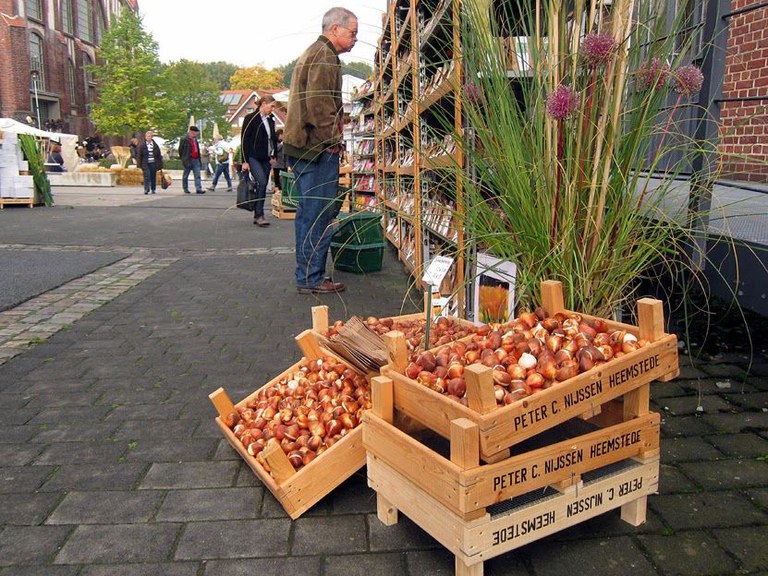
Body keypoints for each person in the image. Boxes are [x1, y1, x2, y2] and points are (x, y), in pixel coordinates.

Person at [283, 6, 357, 294]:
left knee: (308, 214)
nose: (354, 39)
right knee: (319, 214)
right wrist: (334, 142)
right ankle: (312, 277)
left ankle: (307, 276)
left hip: (304, 147)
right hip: (315, 149)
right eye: (352, 33)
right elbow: (318, 106)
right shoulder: (324, 56)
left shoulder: (315, 53)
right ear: (334, 29)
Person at [241, 95, 278, 227]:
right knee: (262, 181)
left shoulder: (271, 119)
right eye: (271, 106)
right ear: (263, 104)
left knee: (262, 184)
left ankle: (258, 213)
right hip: (253, 156)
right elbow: (244, 140)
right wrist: (244, 161)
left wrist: (274, 156)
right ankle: (259, 214)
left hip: (266, 157)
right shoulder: (251, 119)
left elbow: (273, 138)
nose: (272, 109)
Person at [178, 126, 204, 194]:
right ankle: (185, 188)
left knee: (197, 175)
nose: (197, 134)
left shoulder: (195, 140)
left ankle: (198, 188)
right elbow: (180, 150)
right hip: (188, 159)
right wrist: (183, 158)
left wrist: (199, 158)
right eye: (196, 132)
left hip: (196, 159)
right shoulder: (184, 139)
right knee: (186, 175)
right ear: (192, 132)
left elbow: (197, 149)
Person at [136, 130, 163, 194]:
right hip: (145, 163)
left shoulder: (155, 146)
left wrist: (160, 165)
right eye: (147, 136)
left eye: (149, 136)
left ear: (152, 137)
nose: (148, 138)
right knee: (147, 176)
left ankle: (153, 188)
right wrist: (139, 165)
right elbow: (139, 155)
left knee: (153, 176)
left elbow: (158, 156)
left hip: (153, 163)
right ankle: (146, 189)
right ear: (145, 137)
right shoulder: (142, 145)